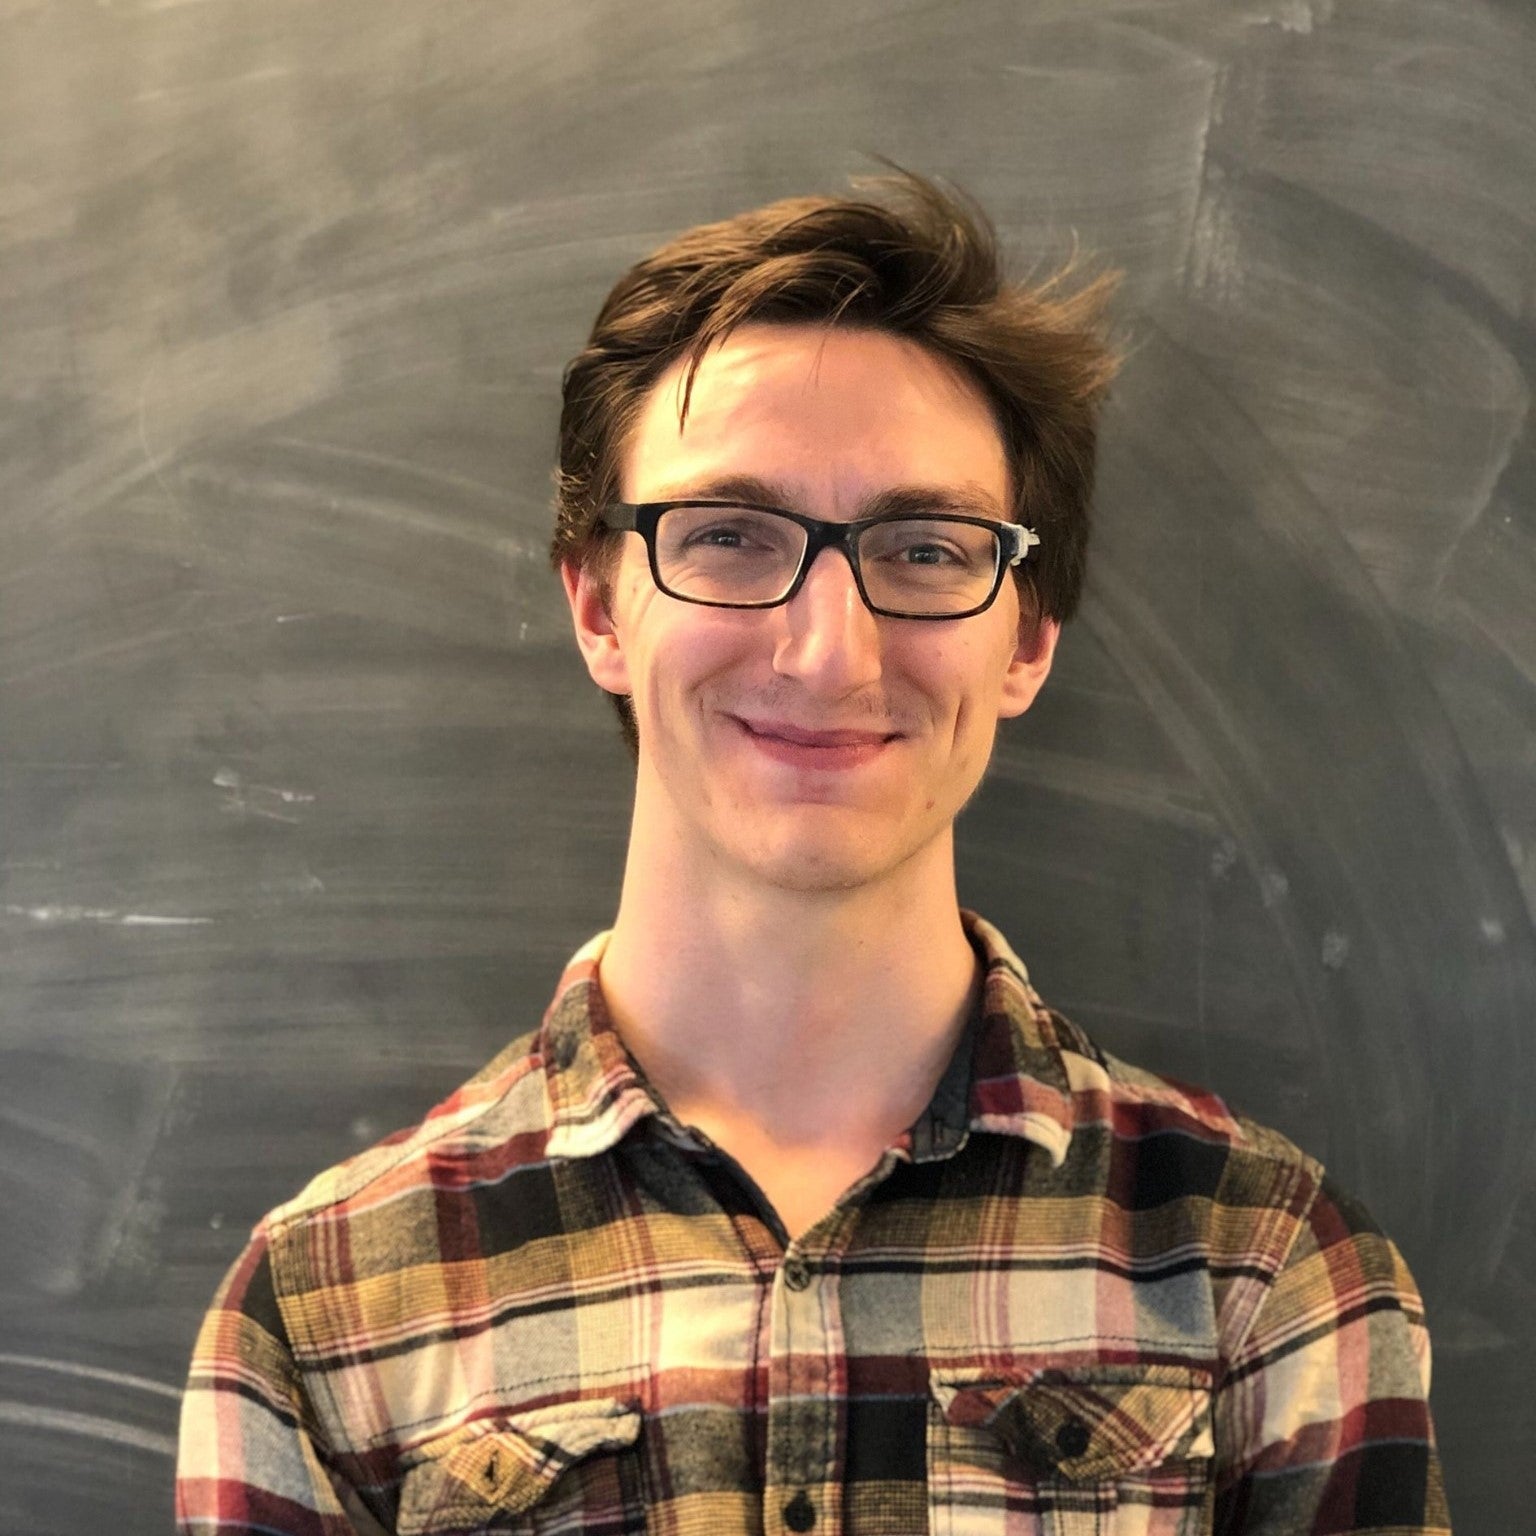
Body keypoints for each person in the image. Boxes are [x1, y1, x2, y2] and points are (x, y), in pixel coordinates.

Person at [176, 175, 1449, 1535]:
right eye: (728, 536)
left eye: (924, 547)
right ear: (599, 604)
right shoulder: (327, 1317)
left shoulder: (1264, 1275)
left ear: (1027, 638)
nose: (829, 650)